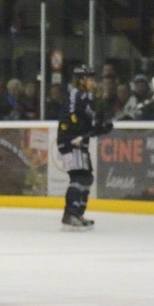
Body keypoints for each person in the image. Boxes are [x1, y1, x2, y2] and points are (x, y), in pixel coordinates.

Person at [57, 64, 111, 229]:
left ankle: (78, 214)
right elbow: (73, 115)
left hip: (80, 142)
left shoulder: (88, 98)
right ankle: (70, 215)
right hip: (71, 141)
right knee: (79, 177)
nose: (93, 82)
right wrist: (77, 132)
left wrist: (101, 126)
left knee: (87, 178)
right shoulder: (76, 94)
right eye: (91, 78)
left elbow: (91, 121)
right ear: (82, 80)